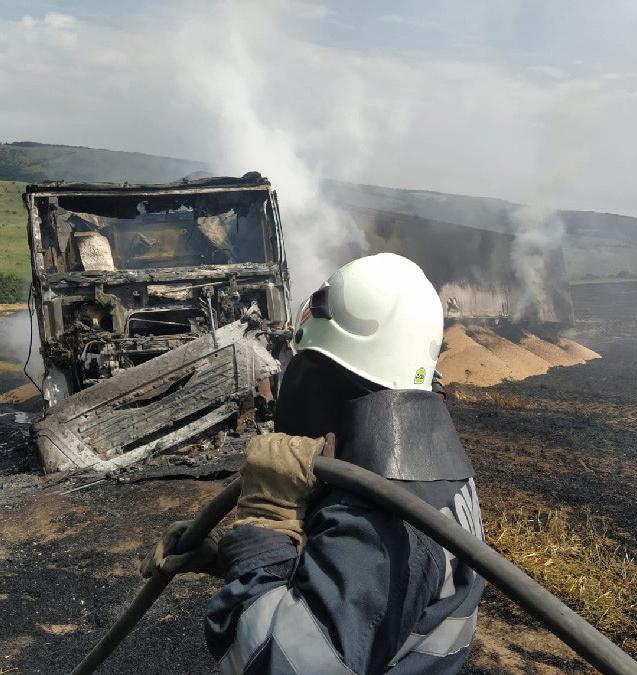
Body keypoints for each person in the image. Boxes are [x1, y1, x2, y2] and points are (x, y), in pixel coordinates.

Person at [142, 253, 484, 674]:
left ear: (324, 372)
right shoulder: (432, 472)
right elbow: (346, 590)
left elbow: (270, 661)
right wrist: (230, 557)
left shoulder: (377, 520)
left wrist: (267, 519)